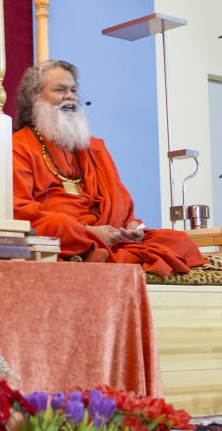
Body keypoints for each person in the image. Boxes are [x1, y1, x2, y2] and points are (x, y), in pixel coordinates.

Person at [12, 60, 206, 276]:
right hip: (69, 235)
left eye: (73, 90)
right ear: (35, 96)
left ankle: (109, 253)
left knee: (178, 239)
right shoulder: (18, 146)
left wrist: (131, 228)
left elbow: (121, 204)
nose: (70, 96)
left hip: (111, 234)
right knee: (60, 224)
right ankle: (103, 250)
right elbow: (19, 210)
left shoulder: (94, 147)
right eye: (60, 90)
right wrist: (89, 231)